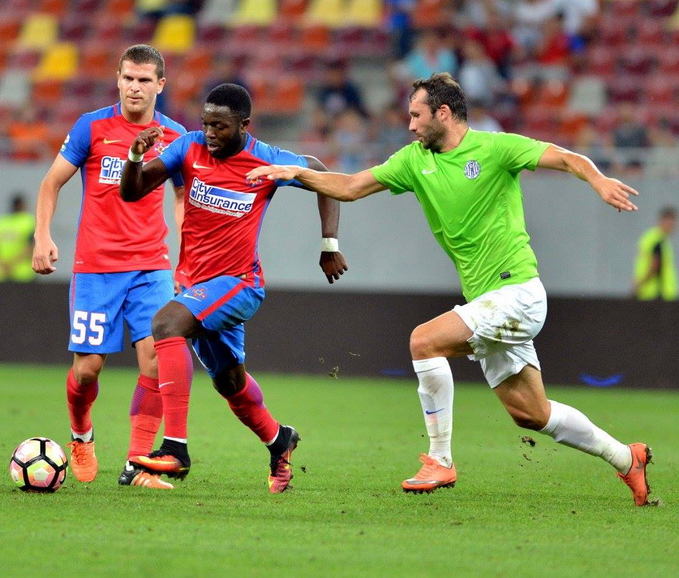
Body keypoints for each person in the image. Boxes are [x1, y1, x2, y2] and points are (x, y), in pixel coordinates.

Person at [247, 72, 655, 506]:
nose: (410, 125)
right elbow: (350, 187)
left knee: (424, 341)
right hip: (489, 301)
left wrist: (598, 180)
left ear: (443, 113)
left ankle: (440, 459)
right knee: (531, 414)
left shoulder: (496, 148)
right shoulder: (413, 160)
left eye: (416, 115)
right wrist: (295, 174)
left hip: (518, 293)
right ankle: (626, 458)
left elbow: (568, 158)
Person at [119, 83, 348, 493]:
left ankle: (175, 448)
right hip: (196, 287)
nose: (209, 133)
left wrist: (329, 244)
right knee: (229, 382)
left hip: (239, 284)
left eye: (220, 127)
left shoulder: (266, 159)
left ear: (244, 125)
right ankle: (280, 439)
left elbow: (323, 174)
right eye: (206, 124)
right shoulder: (188, 148)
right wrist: (135, 155)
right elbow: (133, 190)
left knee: (166, 325)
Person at [32, 44, 187, 490]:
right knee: (88, 370)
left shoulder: (175, 135)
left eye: (143, 80)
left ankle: (138, 463)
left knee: (156, 358)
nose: (134, 87)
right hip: (96, 265)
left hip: (150, 265)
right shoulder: (92, 126)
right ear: (117, 79)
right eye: (127, 78)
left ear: (161, 84)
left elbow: (181, 194)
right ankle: (82, 435)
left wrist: (185, 249)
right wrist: (42, 235)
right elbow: (51, 182)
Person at [633, 206, 679, 301]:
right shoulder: (658, 240)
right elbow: (655, 265)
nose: (673, 227)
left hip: (652, 293)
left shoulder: (653, 238)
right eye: (671, 223)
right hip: (656, 293)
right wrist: (639, 285)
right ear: (663, 221)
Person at [0, 193, 36, 282]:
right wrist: (12, 264)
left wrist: (3, 265)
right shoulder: (28, 221)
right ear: (22, 205)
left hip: (1, 274)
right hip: (24, 274)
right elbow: (31, 247)